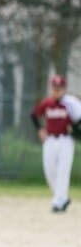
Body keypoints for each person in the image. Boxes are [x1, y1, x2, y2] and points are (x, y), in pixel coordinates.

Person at [31, 74, 81, 213]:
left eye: (59, 88)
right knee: (49, 170)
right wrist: (40, 129)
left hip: (65, 140)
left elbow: (79, 120)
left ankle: (58, 203)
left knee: (63, 171)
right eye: (54, 88)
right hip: (50, 140)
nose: (56, 91)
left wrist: (75, 130)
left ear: (64, 89)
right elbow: (34, 115)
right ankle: (62, 198)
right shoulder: (47, 103)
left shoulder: (70, 103)